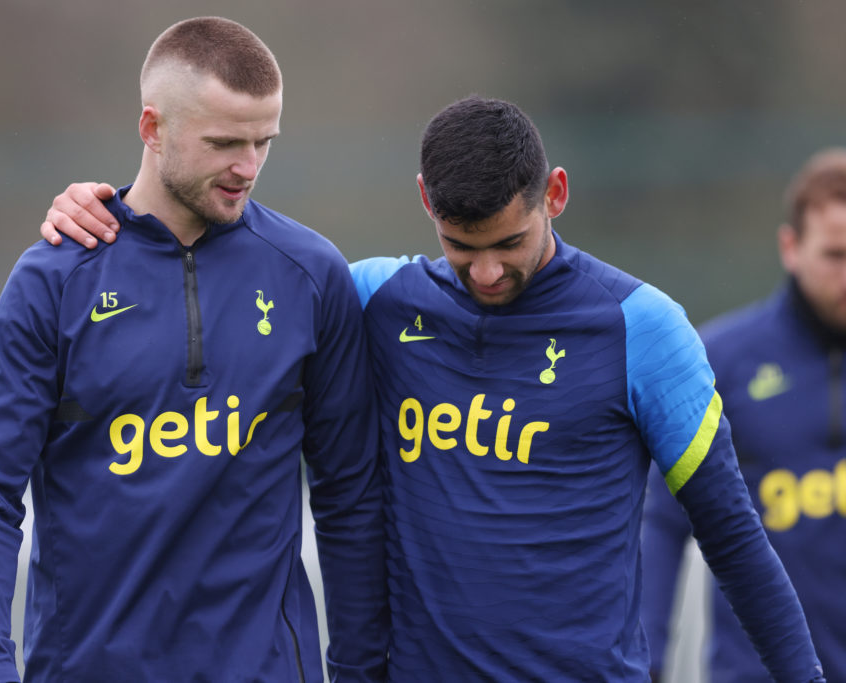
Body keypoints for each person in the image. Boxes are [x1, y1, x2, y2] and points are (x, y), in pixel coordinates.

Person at [42, 97, 826, 681]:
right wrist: (113, 209)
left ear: (555, 193)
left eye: (510, 244)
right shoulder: (375, 302)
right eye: (460, 248)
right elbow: (223, 266)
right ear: (426, 202)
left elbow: (733, 539)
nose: (485, 272)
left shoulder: (643, 328)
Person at [0, 17, 387, 683]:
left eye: (264, 141)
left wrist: (360, 671)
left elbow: (349, 496)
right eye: (224, 142)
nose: (248, 166)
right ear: (152, 129)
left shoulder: (310, 274)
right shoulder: (54, 281)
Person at [641, 149, 846, 682]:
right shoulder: (720, 364)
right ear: (790, 247)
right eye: (836, 255)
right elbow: (661, 523)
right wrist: (646, 663)